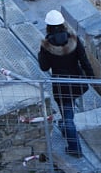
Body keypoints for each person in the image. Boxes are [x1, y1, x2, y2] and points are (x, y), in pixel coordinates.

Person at [38, 11, 94, 158]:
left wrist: (41, 53)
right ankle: (66, 128)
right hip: (77, 81)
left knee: (67, 115)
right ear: (62, 24)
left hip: (61, 85)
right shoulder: (73, 39)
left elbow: (44, 67)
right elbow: (84, 60)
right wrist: (91, 77)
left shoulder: (46, 45)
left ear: (48, 26)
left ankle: (75, 148)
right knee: (69, 110)